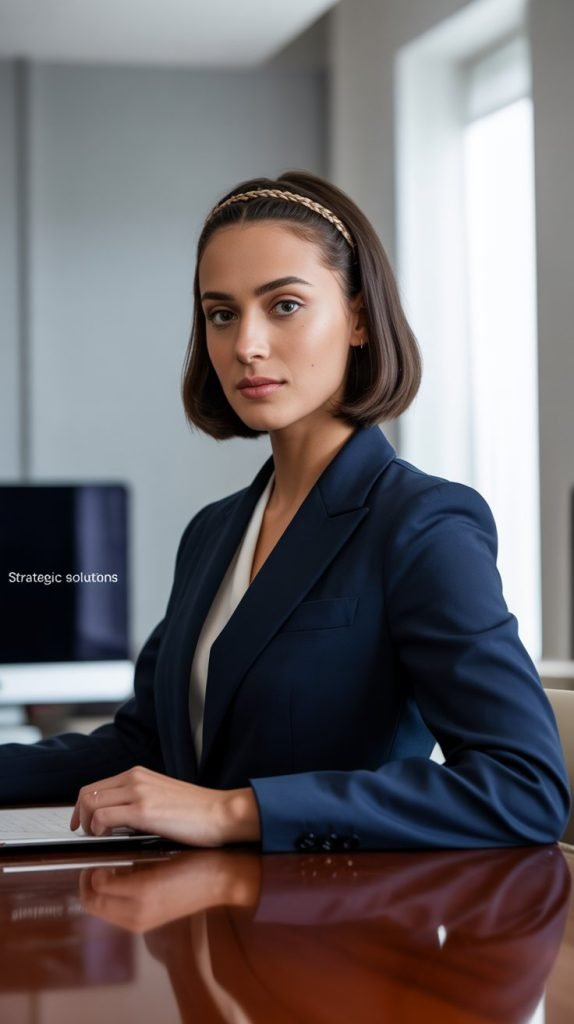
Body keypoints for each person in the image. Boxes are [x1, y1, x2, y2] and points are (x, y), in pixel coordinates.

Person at [0, 171, 569, 852]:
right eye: (222, 314)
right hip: (197, 905)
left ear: (359, 318)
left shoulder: (422, 524)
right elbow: (147, 744)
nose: (246, 344)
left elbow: (524, 785)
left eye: (285, 305)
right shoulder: (212, 532)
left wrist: (233, 812)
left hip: (334, 914)